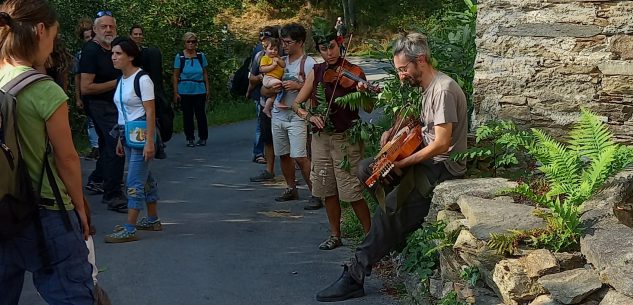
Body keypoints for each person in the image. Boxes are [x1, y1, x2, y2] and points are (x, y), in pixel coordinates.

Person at [315, 32, 468, 302]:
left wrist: (402, 162)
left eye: (403, 69)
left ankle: (355, 275)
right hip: (424, 159)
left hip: (442, 167)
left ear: (420, 60)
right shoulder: (427, 88)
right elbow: (423, 130)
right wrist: (392, 136)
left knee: (390, 210)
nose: (401, 75)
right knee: (366, 169)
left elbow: (442, 144)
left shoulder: (443, 90)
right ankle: (396, 233)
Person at [0, 0, 94, 303]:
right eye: (53, 38)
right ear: (40, 30)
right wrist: (80, 207)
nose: (52, 48)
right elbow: (66, 158)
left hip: (3, 210)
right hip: (46, 213)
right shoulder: (44, 89)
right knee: (72, 295)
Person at [292, 18, 371, 247]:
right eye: (324, 49)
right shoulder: (316, 72)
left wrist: (363, 92)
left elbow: (368, 108)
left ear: (340, 44)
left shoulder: (354, 72)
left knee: (351, 190)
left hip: (346, 137)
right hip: (321, 138)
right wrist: (310, 116)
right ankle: (335, 235)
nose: (329, 53)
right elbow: (297, 104)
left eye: (333, 47)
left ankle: (370, 237)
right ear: (318, 50)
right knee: (327, 189)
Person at [104, 37, 161, 243]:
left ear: (130, 56)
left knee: (134, 181)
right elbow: (123, 112)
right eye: (112, 53)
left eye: (118, 53)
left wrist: (149, 142)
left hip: (141, 136)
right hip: (128, 134)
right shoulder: (121, 80)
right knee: (145, 178)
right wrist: (121, 138)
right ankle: (152, 219)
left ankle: (129, 228)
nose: (114, 57)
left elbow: (150, 111)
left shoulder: (142, 79)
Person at [261, 23, 320, 206]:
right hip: (278, 112)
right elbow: (263, 91)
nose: (284, 46)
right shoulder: (279, 61)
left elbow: (319, 91)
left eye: (288, 42)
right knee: (283, 154)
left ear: (300, 42)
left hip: (298, 115)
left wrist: (298, 86)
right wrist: (272, 87)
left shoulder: (309, 63)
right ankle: (291, 188)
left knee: (300, 156)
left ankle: (316, 193)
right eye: (283, 42)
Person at [79, 11, 127, 213]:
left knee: (110, 148)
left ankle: (99, 179)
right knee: (117, 145)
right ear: (95, 30)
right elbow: (86, 87)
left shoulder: (115, 50)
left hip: (116, 105)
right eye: (104, 27)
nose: (108, 30)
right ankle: (113, 196)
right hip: (99, 106)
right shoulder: (91, 51)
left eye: (111, 27)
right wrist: (116, 83)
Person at [249, 26, 279, 181]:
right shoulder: (259, 55)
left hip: (283, 104)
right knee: (266, 135)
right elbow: (252, 77)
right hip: (264, 100)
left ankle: (293, 172)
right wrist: (261, 78)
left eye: (268, 40)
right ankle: (268, 169)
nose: (265, 44)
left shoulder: (284, 56)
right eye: (263, 41)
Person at [172, 32, 210, 147]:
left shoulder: (200, 56)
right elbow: (175, 75)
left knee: (200, 114)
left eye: (193, 41)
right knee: (187, 115)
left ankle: (203, 137)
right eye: (188, 41)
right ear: (185, 42)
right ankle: (190, 138)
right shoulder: (180, 57)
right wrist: (175, 92)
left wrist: (208, 89)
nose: (191, 44)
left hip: (199, 89)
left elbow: (204, 73)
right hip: (185, 90)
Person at [74, 18, 100, 162]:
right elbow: (77, 77)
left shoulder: (103, 51)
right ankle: (95, 147)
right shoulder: (80, 55)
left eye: (91, 36)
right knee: (90, 121)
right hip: (88, 93)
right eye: (86, 37)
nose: (89, 39)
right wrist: (78, 97)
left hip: (102, 92)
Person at [259, 37, 285, 118]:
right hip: (269, 78)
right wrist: (272, 66)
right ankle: (279, 102)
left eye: (275, 49)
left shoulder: (277, 58)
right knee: (281, 84)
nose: (273, 51)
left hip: (274, 79)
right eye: (271, 49)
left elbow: (283, 65)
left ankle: (266, 108)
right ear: (265, 49)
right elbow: (262, 69)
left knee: (273, 96)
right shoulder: (265, 58)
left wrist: (278, 60)